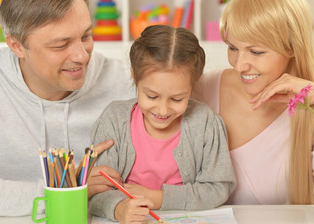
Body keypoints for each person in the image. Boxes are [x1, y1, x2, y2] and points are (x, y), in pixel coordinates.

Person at [192, 0, 314, 208]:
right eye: (232, 48)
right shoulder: (202, 89)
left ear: (293, 47)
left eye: (256, 52)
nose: (240, 65)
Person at [0, 0, 135, 216]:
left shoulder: (127, 83)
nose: (81, 56)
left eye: (86, 36)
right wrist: (70, 190)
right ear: (16, 46)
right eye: (61, 45)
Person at [89, 25, 236, 223]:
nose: (163, 110)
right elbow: (95, 190)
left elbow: (218, 188)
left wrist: (156, 197)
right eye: (152, 96)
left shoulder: (206, 123)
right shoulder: (114, 120)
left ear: (193, 84)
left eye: (177, 99)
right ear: (134, 76)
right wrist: (118, 208)